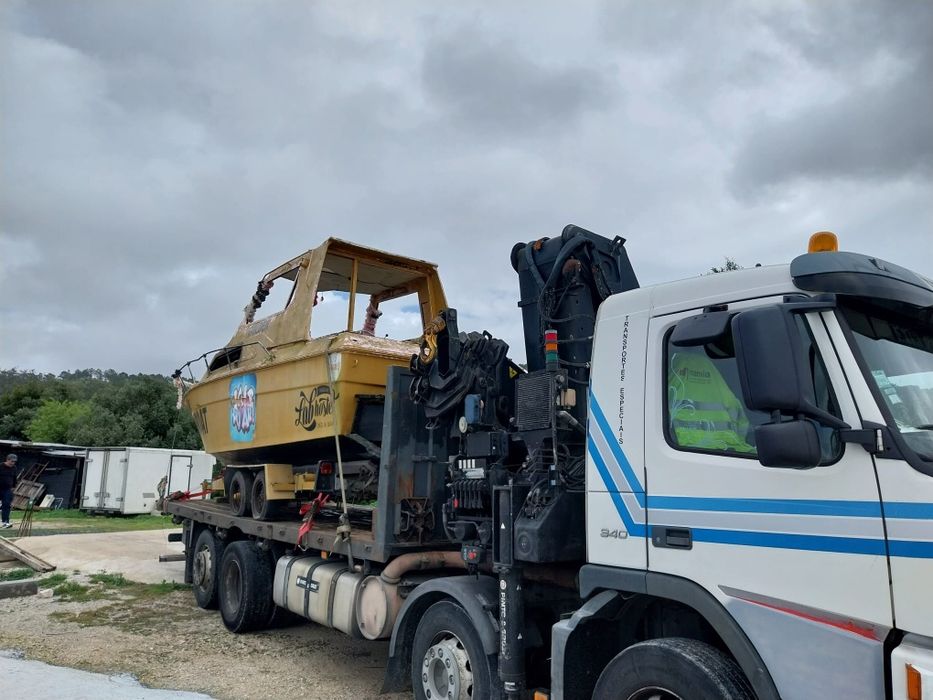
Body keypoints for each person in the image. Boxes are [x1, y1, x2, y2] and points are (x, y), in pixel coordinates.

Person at [668, 350, 755, 454]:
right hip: (731, 453)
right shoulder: (724, 389)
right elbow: (743, 426)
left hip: (682, 452)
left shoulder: (666, 386)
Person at [1, 453, 17, 528]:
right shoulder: (0, 466)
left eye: (14, 461)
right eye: (11, 461)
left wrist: (13, 486)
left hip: (7, 489)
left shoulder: (14, 468)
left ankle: (5, 522)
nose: (13, 463)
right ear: (7, 460)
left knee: (7, 504)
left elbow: (14, 478)